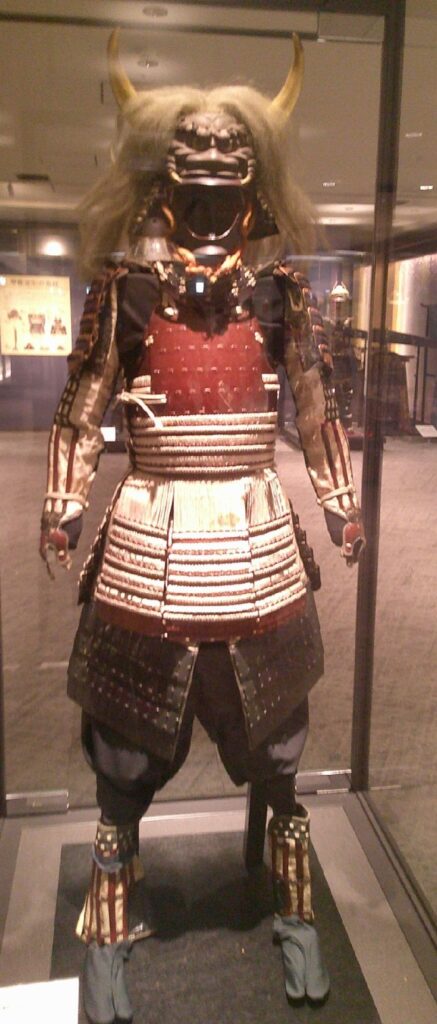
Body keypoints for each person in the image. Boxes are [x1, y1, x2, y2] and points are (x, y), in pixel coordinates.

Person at [40, 30, 365, 1024]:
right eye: (197, 155)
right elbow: (85, 399)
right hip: (151, 530)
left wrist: (340, 500)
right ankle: (109, 921)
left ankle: (295, 912)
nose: (216, 171)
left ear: (253, 173)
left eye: (232, 154)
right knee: (125, 746)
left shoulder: (278, 289)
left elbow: (313, 400)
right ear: (165, 172)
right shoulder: (128, 286)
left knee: (277, 739)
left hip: (257, 536)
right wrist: (61, 502)